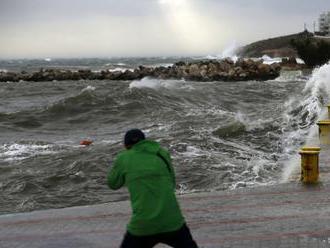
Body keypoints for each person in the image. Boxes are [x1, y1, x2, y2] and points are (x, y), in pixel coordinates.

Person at [107, 129, 198, 248]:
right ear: (144, 141)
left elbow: (113, 184)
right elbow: (171, 182)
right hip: (172, 220)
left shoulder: (124, 158)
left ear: (126, 145)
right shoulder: (162, 153)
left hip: (143, 224)